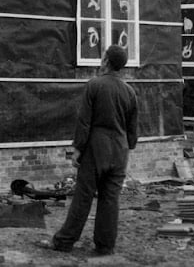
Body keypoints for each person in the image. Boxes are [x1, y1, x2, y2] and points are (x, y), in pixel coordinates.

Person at [50, 44, 139, 256]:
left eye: (103, 58)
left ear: (106, 61)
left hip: (96, 149)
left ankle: (64, 241)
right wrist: (127, 147)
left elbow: (84, 122)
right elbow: (133, 132)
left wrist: (77, 150)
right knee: (110, 199)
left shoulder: (94, 85)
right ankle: (105, 246)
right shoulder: (130, 92)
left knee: (83, 196)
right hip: (120, 150)